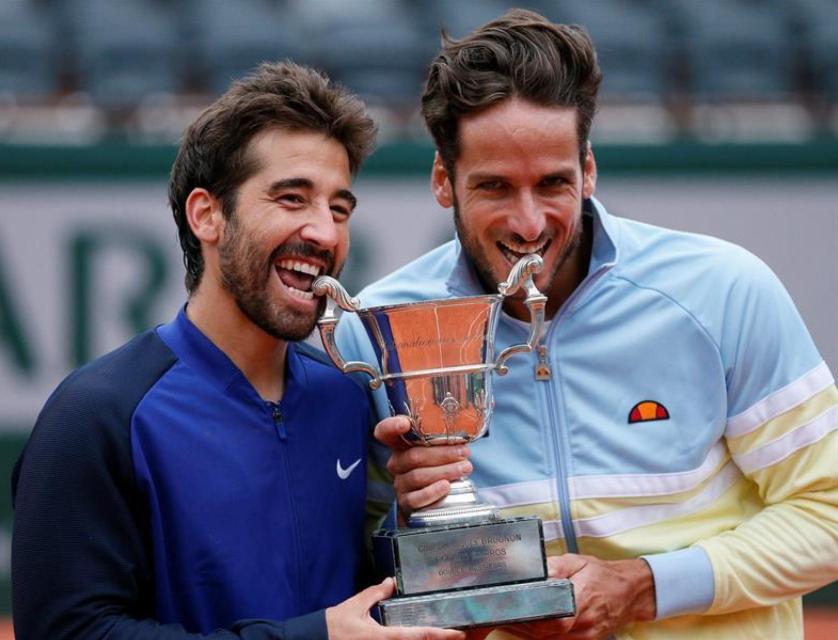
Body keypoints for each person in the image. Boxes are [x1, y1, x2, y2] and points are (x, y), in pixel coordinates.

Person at [334, 10, 838, 640]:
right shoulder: (380, 328)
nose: (528, 223)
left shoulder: (725, 291)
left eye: (553, 183)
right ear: (444, 179)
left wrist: (646, 587)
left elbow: (829, 515)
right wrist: (409, 524)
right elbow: (358, 568)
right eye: (493, 186)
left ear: (589, 170)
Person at [11, 61, 464, 640]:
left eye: (339, 208)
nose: (325, 233)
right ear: (207, 215)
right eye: (292, 198)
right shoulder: (95, 415)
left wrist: (420, 534)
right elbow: (68, 633)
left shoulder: (347, 402)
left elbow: (361, 602)